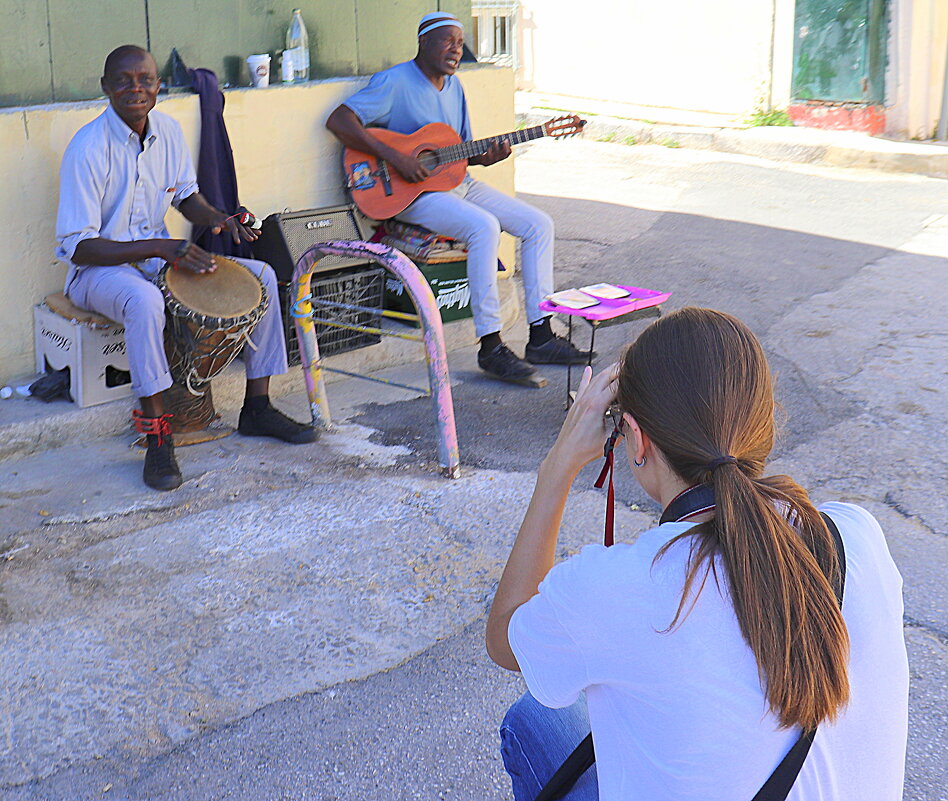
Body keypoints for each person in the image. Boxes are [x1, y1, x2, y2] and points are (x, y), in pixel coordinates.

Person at [486, 307, 908, 801]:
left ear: (636, 440)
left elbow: (504, 638)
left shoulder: (621, 587)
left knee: (533, 718)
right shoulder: (855, 535)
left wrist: (557, 466)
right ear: (762, 424)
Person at [56, 45, 316, 492]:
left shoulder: (169, 131)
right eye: (123, 80)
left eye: (145, 80)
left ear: (159, 86)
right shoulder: (87, 148)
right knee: (144, 300)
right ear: (105, 87)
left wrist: (217, 218)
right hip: (98, 274)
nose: (136, 89)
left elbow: (185, 196)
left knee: (264, 277)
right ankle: (158, 436)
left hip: (160, 258)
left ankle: (257, 406)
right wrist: (164, 247)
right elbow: (78, 247)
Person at [326, 12, 590, 384]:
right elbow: (339, 121)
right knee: (483, 226)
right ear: (424, 42)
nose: (456, 49)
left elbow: (458, 152)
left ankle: (542, 335)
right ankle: (491, 345)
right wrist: (396, 156)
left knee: (537, 224)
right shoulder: (393, 82)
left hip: (457, 183)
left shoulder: (454, 87)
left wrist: (486, 156)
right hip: (411, 195)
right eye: (447, 40)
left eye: (460, 41)